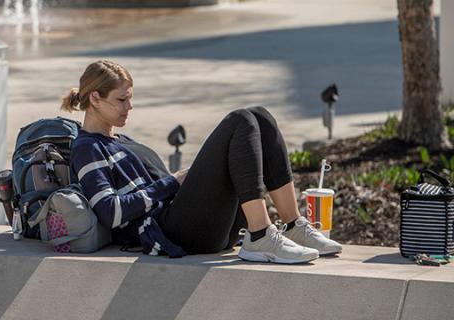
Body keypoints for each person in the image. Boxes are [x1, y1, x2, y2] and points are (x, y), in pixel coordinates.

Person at [62, 60, 342, 264]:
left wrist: (176, 182)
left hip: (202, 225)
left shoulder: (120, 140)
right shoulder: (88, 148)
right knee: (240, 120)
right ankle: (259, 235)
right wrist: (172, 182)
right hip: (174, 232)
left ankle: (292, 225)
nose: (129, 107)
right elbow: (110, 212)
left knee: (260, 116)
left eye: (130, 99)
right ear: (96, 99)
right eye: (121, 100)